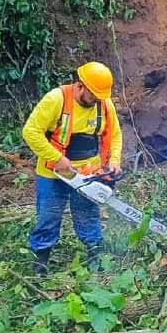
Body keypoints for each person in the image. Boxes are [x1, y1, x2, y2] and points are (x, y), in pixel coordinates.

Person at [22, 62, 123, 275]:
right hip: (53, 172)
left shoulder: (104, 104)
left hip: (88, 173)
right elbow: (31, 132)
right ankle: (41, 261)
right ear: (79, 86)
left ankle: (95, 254)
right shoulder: (56, 99)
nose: (96, 99)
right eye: (93, 95)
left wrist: (114, 161)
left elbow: (114, 135)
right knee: (48, 216)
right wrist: (57, 157)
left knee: (87, 215)